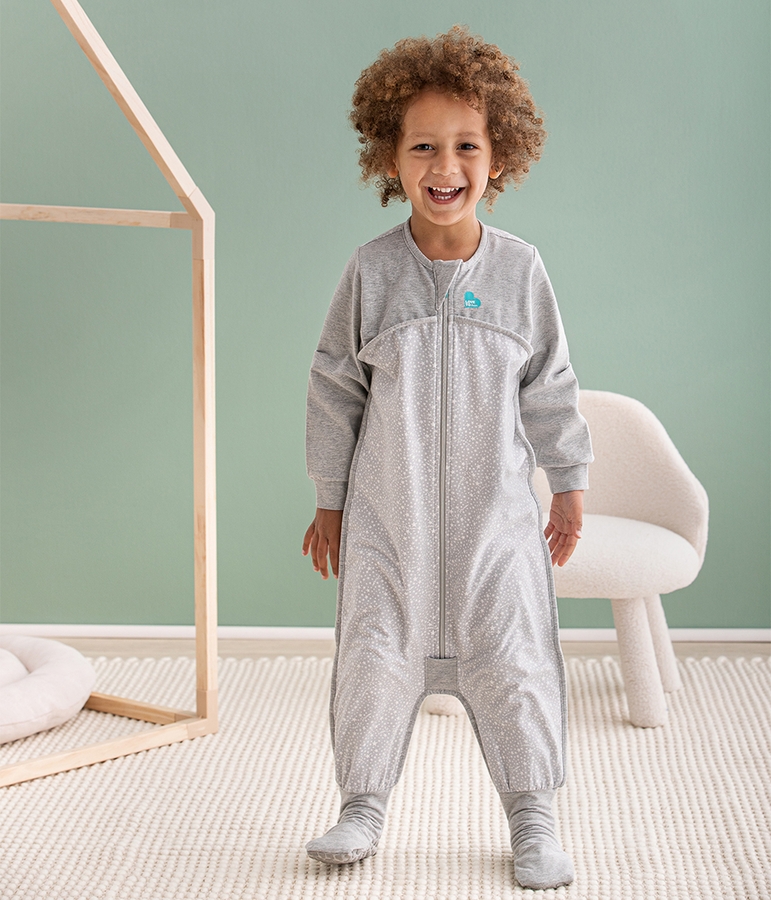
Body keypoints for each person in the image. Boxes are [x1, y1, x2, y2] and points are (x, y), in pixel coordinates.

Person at [301, 25, 592, 891]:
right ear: (389, 158)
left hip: (492, 525)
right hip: (389, 520)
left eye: (466, 145)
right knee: (373, 657)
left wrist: (568, 483)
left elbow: (550, 385)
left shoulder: (520, 272)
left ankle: (532, 817)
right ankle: (361, 805)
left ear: (497, 157)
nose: (444, 164)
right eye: (422, 145)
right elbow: (333, 390)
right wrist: (328, 499)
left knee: (515, 661)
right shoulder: (370, 272)